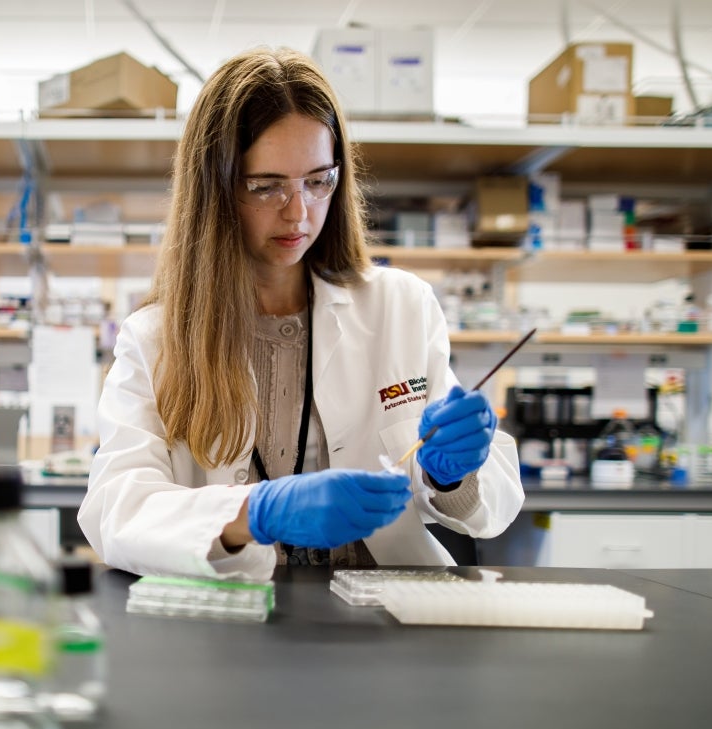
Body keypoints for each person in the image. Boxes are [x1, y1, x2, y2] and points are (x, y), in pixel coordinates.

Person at [77, 47, 523, 583]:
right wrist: (256, 513)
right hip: (231, 618)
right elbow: (117, 510)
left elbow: (489, 509)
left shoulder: (400, 308)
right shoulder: (154, 339)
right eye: (266, 186)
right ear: (214, 191)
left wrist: (451, 474)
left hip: (385, 616)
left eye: (318, 181)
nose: (299, 212)